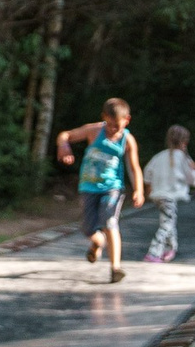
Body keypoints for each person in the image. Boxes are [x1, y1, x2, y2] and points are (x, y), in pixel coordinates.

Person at [56, 98, 146, 283]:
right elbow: (65, 135)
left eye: (117, 126)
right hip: (88, 188)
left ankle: (115, 268)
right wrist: (64, 146)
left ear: (127, 120)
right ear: (104, 117)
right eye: (110, 125)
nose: (113, 129)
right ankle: (98, 243)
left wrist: (139, 190)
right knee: (88, 228)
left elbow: (134, 167)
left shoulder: (127, 140)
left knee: (110, 222)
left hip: (112, 188)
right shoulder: (94, 131)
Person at [142, 125, 195, 261]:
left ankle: (170, 248)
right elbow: (191, 178)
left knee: (168, 220)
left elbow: (147, 172)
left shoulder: (159, 156)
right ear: (185, 142)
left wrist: (149, 187)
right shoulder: (183, 158)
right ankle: (153, 252)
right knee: (167, 224)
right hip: (170, 196)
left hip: (158, 194)